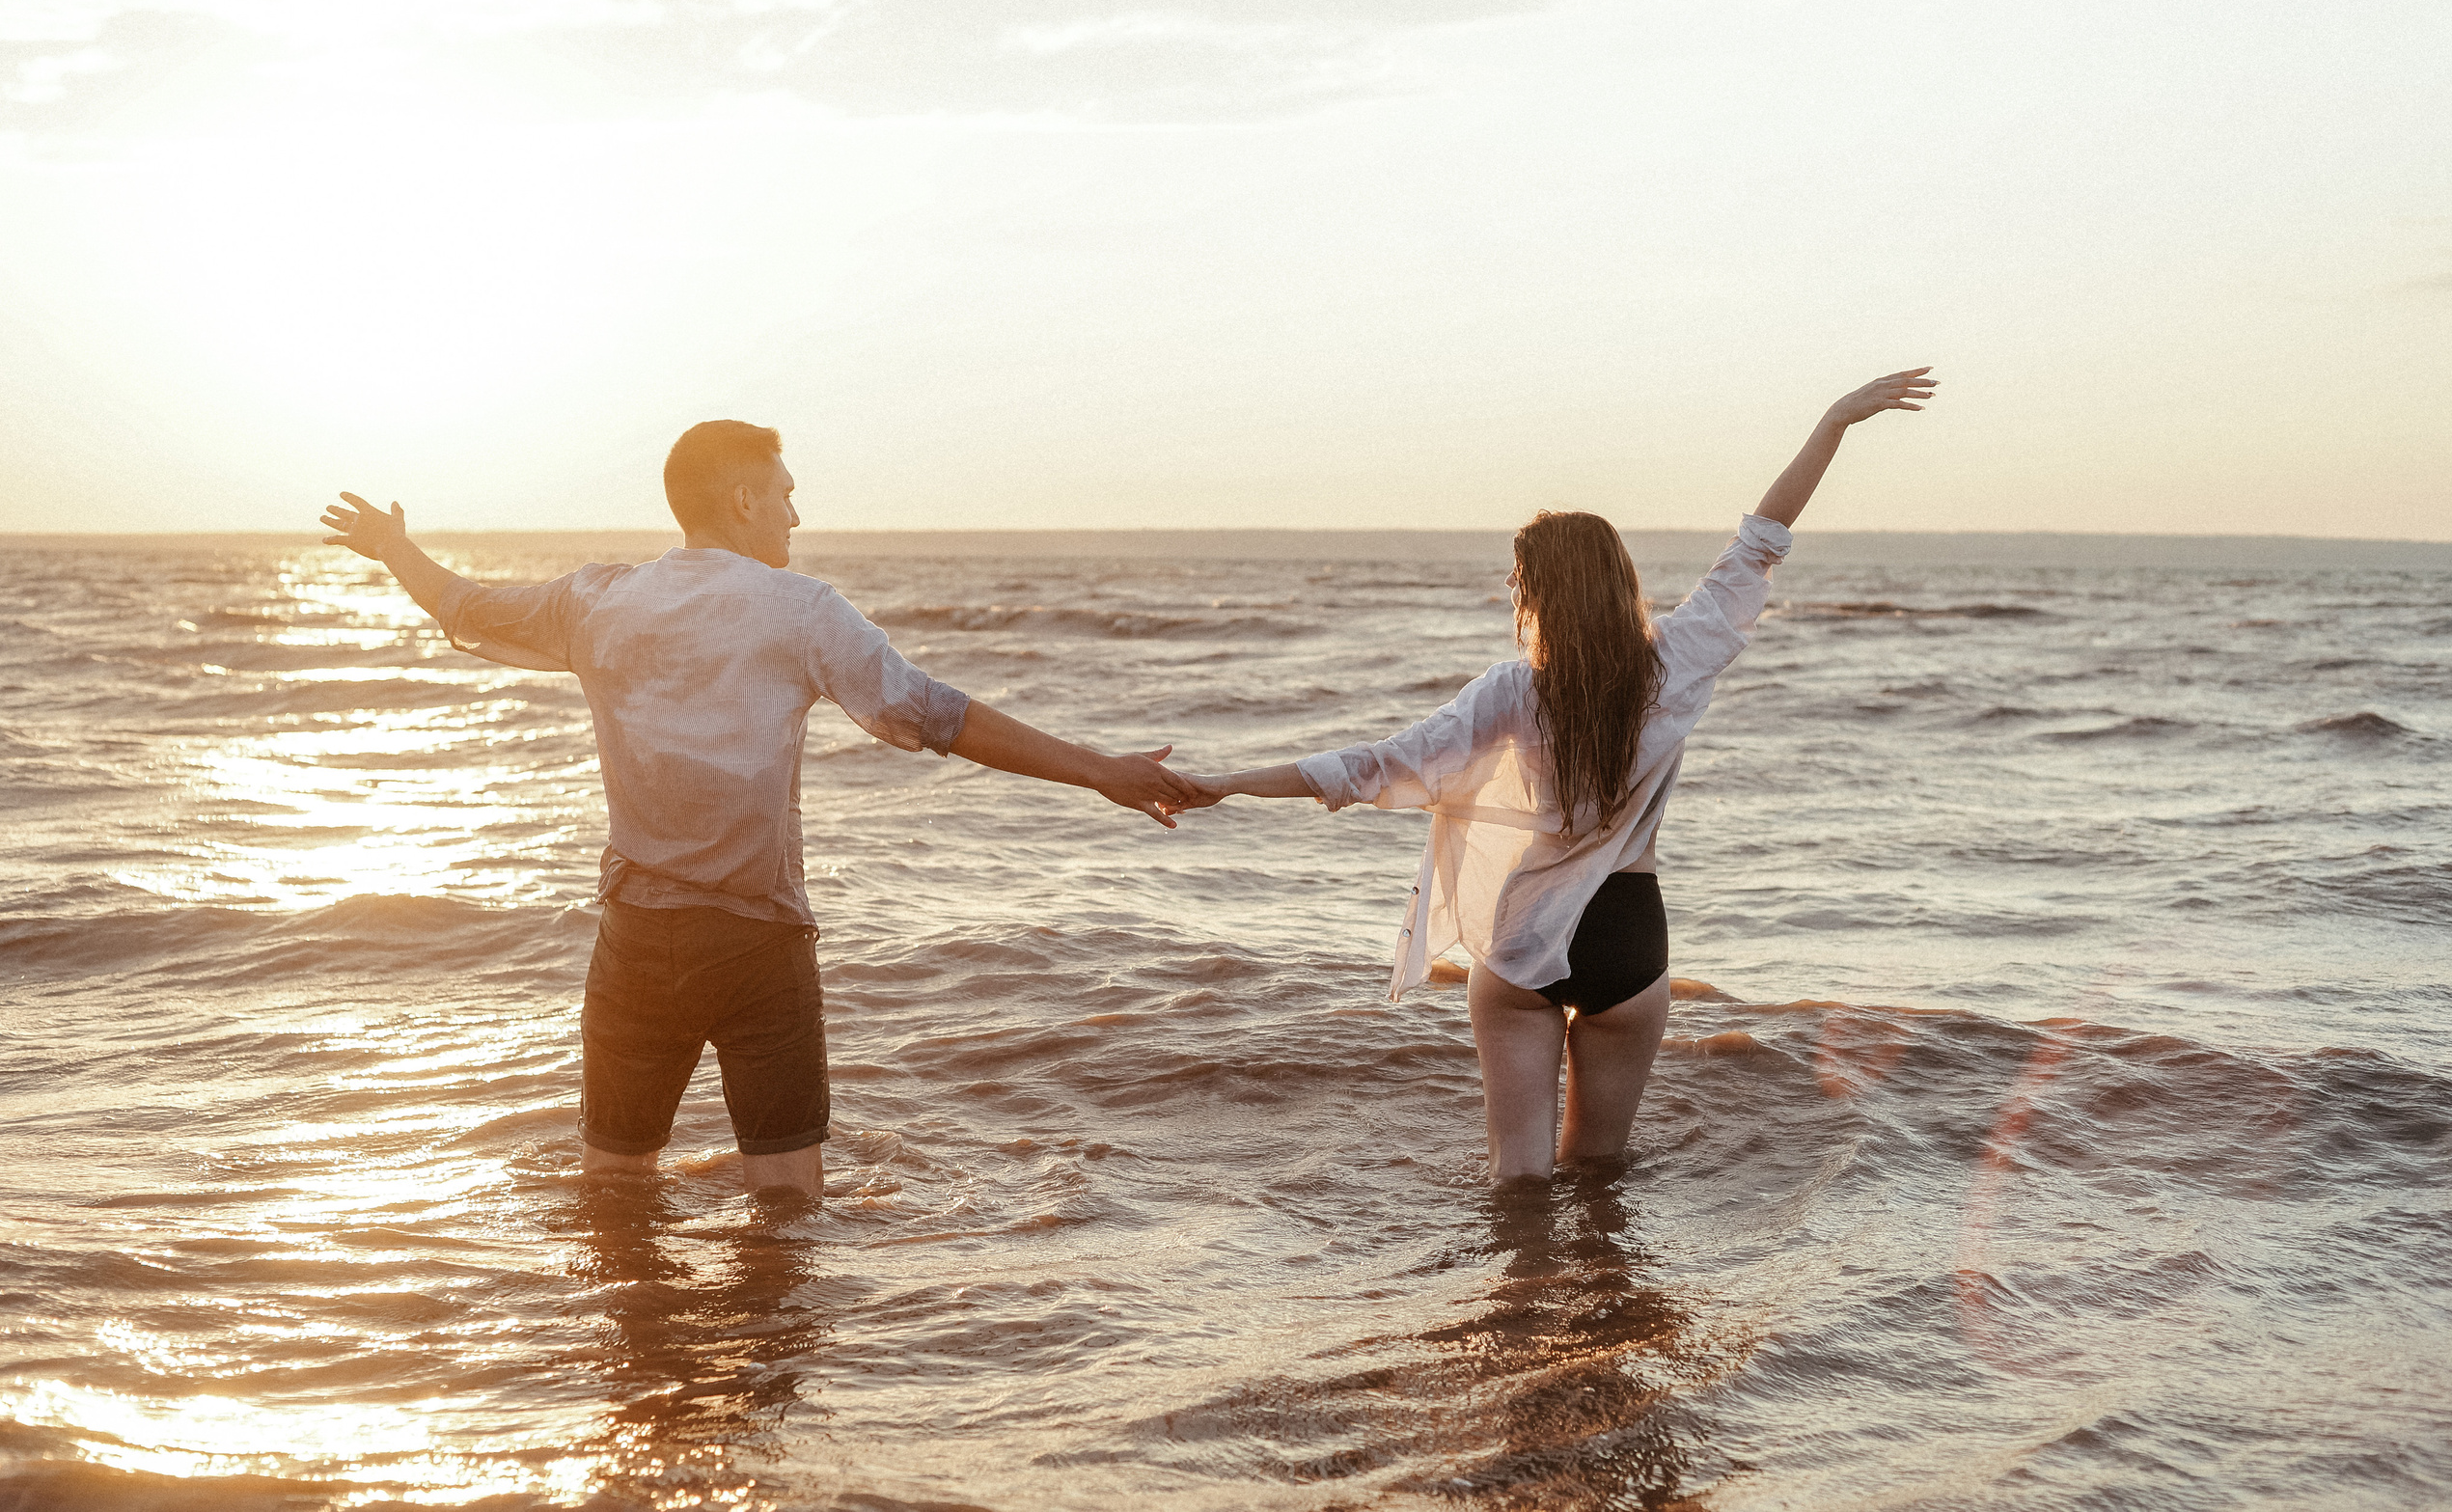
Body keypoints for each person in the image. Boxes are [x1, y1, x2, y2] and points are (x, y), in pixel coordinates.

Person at [317, 420, 1202, 1196]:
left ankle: (639, 1374)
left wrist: (397, 551)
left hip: (633, 939)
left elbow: (470, 607)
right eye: (785, 494)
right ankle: (767, 1377)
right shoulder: (804, 611)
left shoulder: (598, 600)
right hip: (756, 943)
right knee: (784, 1207)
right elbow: (940, 716)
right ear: (743, 499)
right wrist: (1098, 771)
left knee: (615, 1193)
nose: (795, 514)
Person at [1180, 370, 1941, 1181]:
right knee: (1600, 1176)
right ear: (1620, 581)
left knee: (1519, 1178)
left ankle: (1515, 1302)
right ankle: (1606, 1304)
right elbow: (1763, 536)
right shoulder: (1677, 663)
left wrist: (1228, 780)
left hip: (1526, 938)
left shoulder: (1514, 692)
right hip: (1630, 935)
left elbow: (1375, 768)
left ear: (1536, 598)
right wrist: (1834, 420)